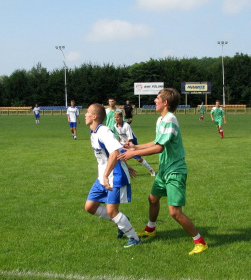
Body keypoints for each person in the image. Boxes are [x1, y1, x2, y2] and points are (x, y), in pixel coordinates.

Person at [118, 88, 208, 255]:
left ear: (165, 102)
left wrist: (133, 153)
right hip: (165, 169)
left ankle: (200, 242)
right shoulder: (161, 120)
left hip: (175, 171)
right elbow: (156, 141)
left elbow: (159, 148)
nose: (154, 101)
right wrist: (135, 146)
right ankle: (150, 229)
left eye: (157, 98)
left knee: (175, 212)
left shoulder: (170, 120)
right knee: (153, 199)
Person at [83, 103, 141, 248]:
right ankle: (121, 220)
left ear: (94, 117)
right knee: (90, 207)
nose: (85, 114)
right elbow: (114, 151)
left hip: (115, 176)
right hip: (103, 176)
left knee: (111, 210)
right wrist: (126, 165)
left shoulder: (104, 132)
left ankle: (134, 238)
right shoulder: (94, 132)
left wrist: (106, 175)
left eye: (87, 112)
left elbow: (115, 152)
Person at [114, 111, 156, 176]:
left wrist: (126, 143)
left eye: (118, 117)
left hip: (132, 143)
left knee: (139, 159)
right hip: (123, 143)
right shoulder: (115, 126)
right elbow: (120, 136)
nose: (116, 119)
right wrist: (119, 143)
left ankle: (151, 170)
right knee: (120, 156)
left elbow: (130, 138)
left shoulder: (126, 126)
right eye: (115, 117)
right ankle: (124, 172)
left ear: (121, 117)